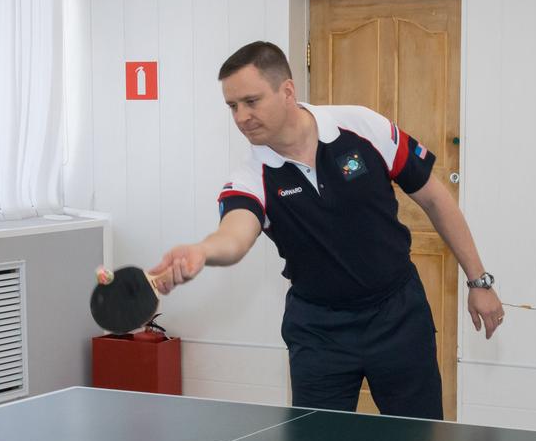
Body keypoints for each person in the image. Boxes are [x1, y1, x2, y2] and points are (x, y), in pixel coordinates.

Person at [152, 40, 503, 421]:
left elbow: (436, 199)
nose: (241, 117)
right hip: (319, 330)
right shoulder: (252, 177)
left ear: (287, 90)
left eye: (251, 102)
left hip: (398, 316)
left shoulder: (362, 126)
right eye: (232, 107)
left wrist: (478, 282)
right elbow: (235, 235)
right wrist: (203, 252)